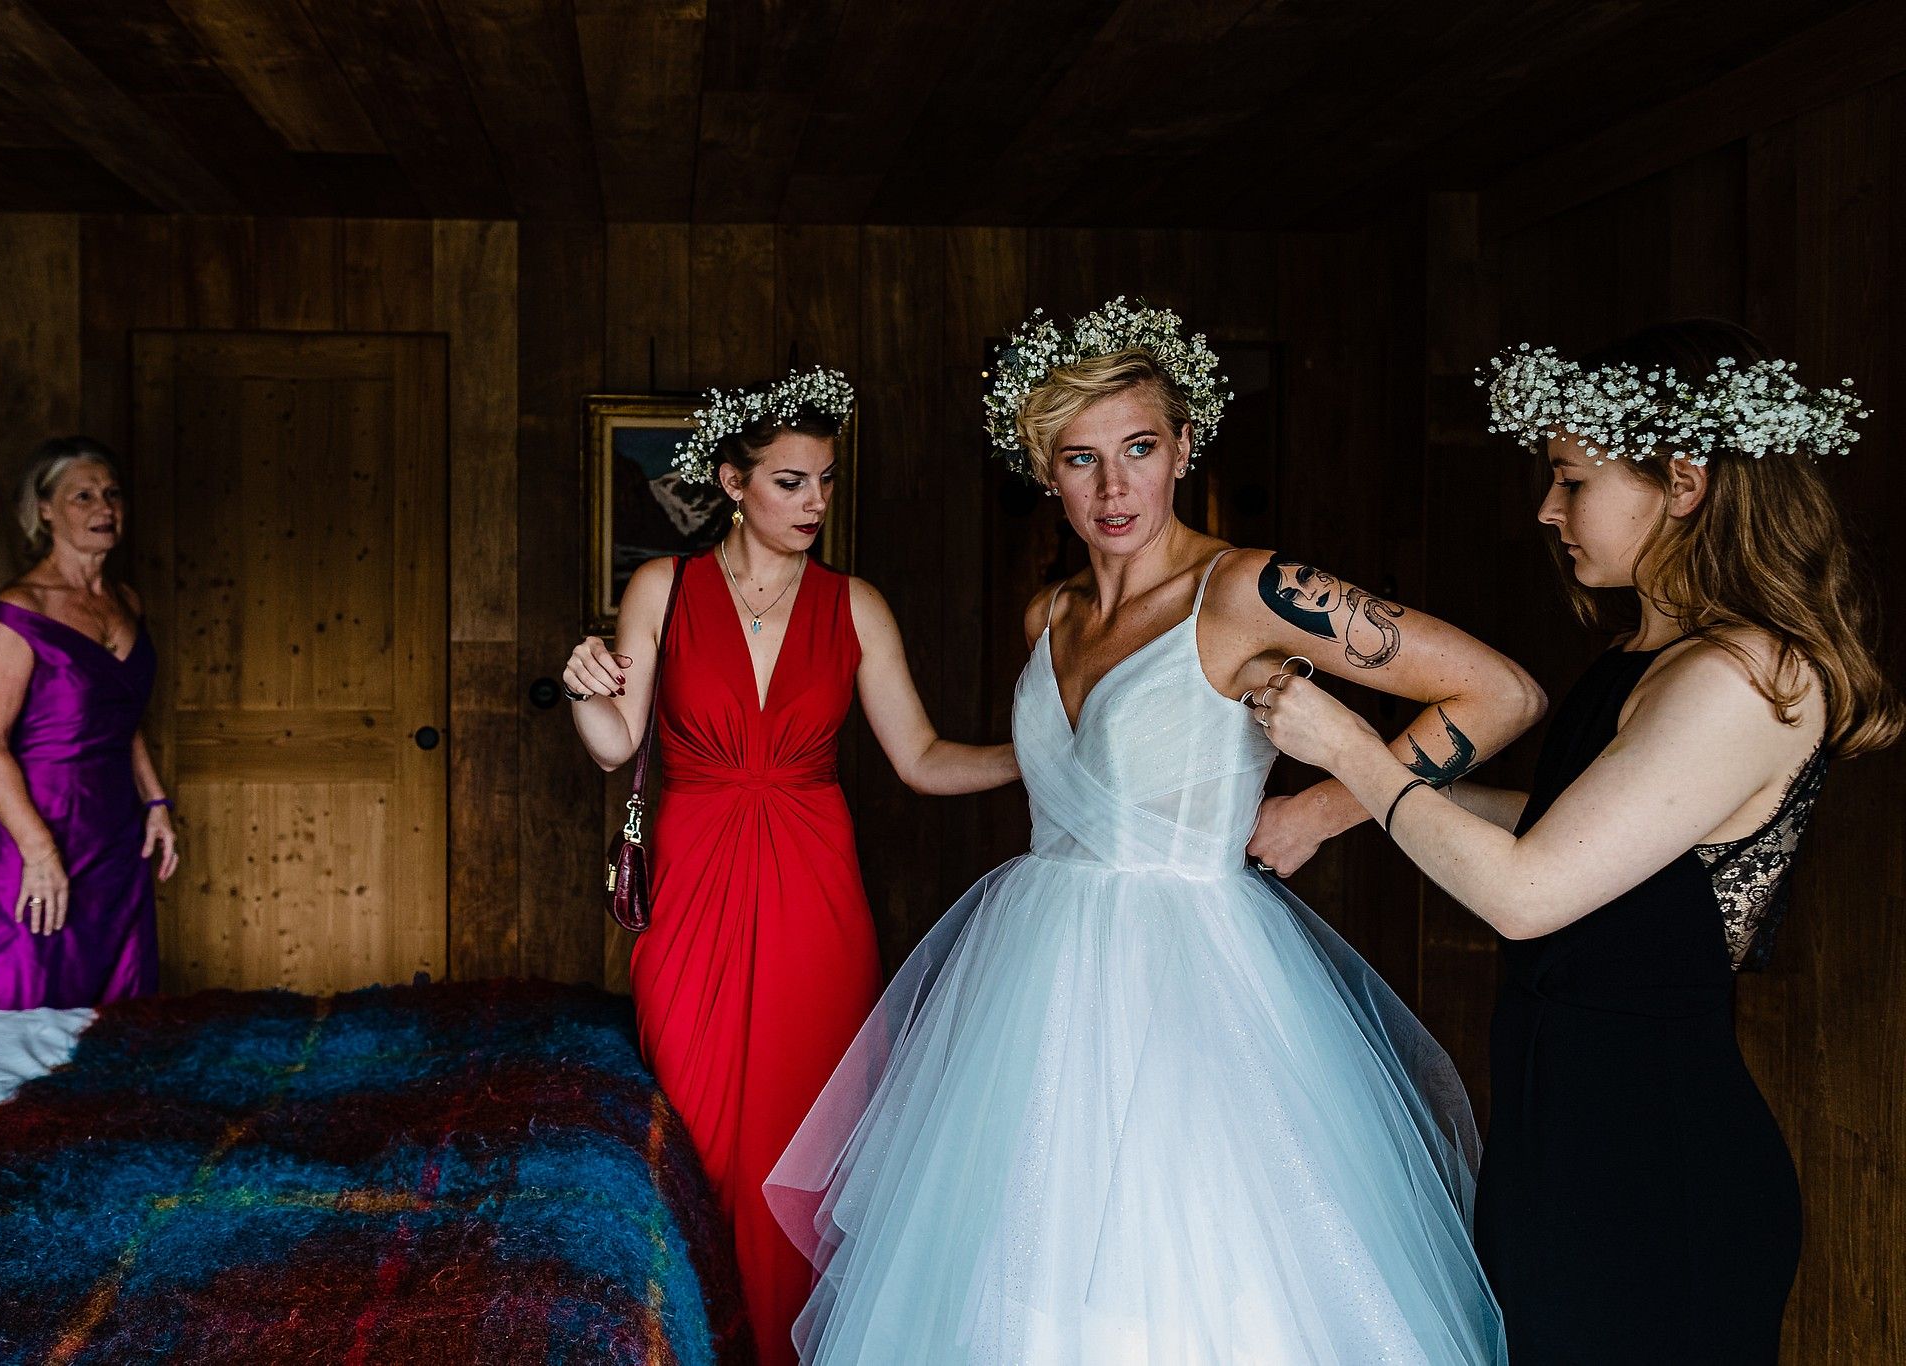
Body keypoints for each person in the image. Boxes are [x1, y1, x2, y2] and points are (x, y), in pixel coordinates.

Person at [766, 301, 1538, 1363]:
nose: (1113, 487)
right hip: (1028, 990)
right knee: (1017, 1281)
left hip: (1196, 988)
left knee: (1191, 1282)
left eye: (1137, 448)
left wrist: (1320, 806)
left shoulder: (1243, 593)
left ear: (1183, 443)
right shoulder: (1049, 616)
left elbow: (1495, 692)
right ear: (1044, 472)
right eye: (1079, 460)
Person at [1256, 319, 1899, 1364]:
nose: (1545, 509)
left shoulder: (1738, 678)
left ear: (1681, 483)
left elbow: (1527, 893)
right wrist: (1326, 812)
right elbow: (1567, 830)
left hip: (1656, 1170)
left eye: (1569, 480)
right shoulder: (1641, 659)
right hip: (1561, 1143)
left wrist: (1348, 748)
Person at [560, 367, 1018, 1365]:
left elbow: (923, 759)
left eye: (822, 481)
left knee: (812, 1137)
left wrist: (1046, 754)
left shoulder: (855, 606)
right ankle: (693, 1338)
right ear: (731, 480)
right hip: (692, 884)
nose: (814, 502)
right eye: (788, 482)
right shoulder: (661, 589)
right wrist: (580, 683)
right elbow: (610, 746)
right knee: (695, 1130)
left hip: (815, 891)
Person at [0, 437, 176, 1012]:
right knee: (16, 993)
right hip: (36, 826)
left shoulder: (127, 602)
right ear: (44, 510)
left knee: (113, 1012)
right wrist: (38, 850)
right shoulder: (20, 610)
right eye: (82, 496)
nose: (103, 508)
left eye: (112, 494)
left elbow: (122, 717)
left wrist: (156, 802)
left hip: (115, 831)